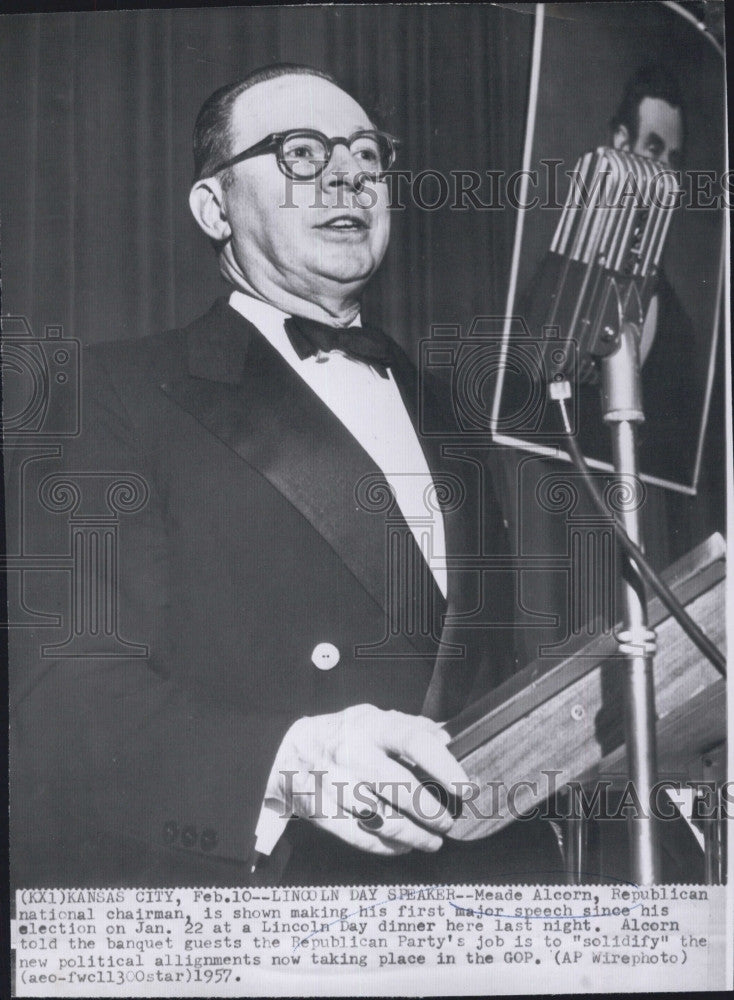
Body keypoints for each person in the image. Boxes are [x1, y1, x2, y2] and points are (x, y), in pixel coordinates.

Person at [9, 63, 560, 889]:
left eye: (367, 156)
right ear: (214, 207)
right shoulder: (109, 394)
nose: (347, 175)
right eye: (300, 153)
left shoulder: (449, 411)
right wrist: (292, 763)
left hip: (472, 906)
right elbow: (65, 706)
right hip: (257, 912)